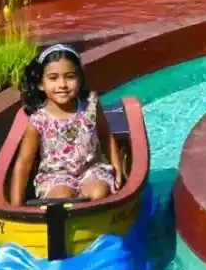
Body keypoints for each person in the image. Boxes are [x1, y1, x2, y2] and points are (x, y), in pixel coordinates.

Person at [8, 45, 124, 205]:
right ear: (41, 83)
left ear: (80, 79)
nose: (62, 84)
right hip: (55, 176)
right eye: (53, 78)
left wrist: (116, 168)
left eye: (69, 77)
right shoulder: (39, 120)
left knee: (99, 193)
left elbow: (105, 135)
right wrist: (16, 207)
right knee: (62, 199)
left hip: (91, 170)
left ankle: (96, 222)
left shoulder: (90, 105)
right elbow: (24, 162)